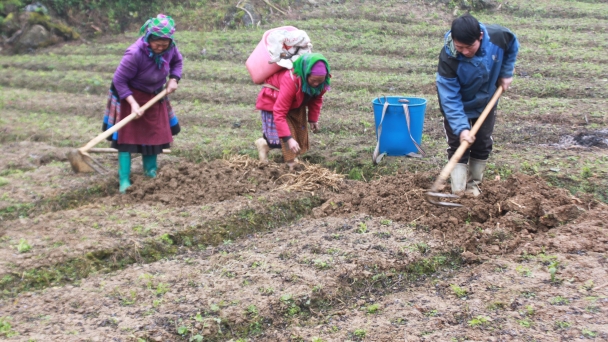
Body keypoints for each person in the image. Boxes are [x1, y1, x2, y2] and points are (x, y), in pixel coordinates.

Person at [436, 14, 519, 196]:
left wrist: (505, 73)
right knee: (458, 144)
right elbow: (450, 98)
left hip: (486, 101)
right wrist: (462, 128)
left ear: (480, 36)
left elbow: (512, 45)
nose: (464, 52)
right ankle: (458, 190)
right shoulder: (449, 59)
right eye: (460, 47)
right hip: (458, 107)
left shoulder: (499, 37)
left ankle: (473, 186)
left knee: (482, 142)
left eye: (469, 47)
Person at [102, 14, 182, 193]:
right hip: (129, 95)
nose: (161, 48)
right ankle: (124, 181)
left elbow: (177, 62)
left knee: (153, 136)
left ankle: (150, 173)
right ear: (149, 38)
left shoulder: (171, 49)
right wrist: (132, 103)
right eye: (157, 44)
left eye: (165, 44)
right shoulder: (135, 53)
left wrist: (174, 79)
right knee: (126, 138)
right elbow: (119, 80)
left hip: (154, 95)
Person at [254, 53, 331, 170]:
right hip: (274, 101)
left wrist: (313, 119)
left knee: (298, 134)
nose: (316, 84)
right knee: (283, 137)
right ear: (306, 74)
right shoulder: (291, 80)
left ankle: (286, 159)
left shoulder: (322, 82)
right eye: (313, 80)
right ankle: (269, 149)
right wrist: (289, 139)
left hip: (296, 102)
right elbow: (279, 112)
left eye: (320, 81)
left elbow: (317, 98)